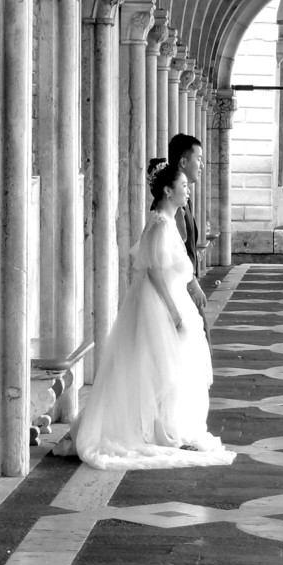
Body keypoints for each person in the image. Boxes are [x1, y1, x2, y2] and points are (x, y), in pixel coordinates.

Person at [69, 157, 235, 470]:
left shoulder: (168, 222)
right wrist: (173, 313)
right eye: (183, 185)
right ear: (168, 191)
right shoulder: (159, 224)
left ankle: (168, 428)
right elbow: (155, 273)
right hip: (160, 305)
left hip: (171, 300)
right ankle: (159, 431)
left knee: (172, 371)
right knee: (161, 369)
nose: (188, 190)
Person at [167, 133, 209, 338]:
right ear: (183, 162)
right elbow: (175, 251)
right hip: (181, 288)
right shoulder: (174, 205)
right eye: (198, 159)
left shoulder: (183, 201)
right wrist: (192, 284)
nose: (202, 165)